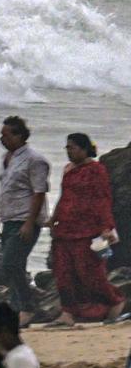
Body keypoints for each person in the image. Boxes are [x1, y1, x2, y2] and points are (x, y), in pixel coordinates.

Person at [48, 133, 125, 325]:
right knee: (63, 273)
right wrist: (53, 219)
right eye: (67, 147)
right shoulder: (68, 169)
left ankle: (115, 301)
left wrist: (107, 227)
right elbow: (64, 196)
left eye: (72, 147)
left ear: (84, 149)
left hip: (87, 229)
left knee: (90, 272)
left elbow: (102, 199)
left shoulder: (96, 170)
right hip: (65, 228)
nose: (68, 151)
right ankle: (67, 313)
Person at [0, 115, 50, 327]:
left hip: (25, 220)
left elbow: (39, 192)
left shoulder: (35, 160)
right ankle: (17, 309)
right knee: (9, 266)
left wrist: (30, 222)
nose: (2, 139)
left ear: (19, 135)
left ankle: (27, 307)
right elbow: (4, 190)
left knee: (12, 263)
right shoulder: (6, 158)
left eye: (6, 135)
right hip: (8, 218)